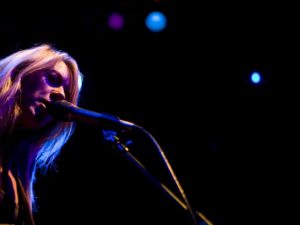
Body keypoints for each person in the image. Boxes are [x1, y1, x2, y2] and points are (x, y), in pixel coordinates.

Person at [0, 43, 83, 225]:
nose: (60, 94)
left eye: (67, 93)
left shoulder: (17, 167)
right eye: (53, 79)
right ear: (20, 72)